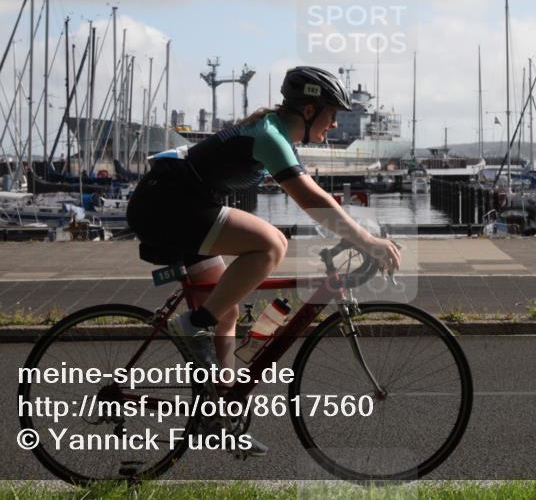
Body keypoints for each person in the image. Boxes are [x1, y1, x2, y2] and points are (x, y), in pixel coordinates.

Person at [126, 66, 401, 455]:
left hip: (179, 204)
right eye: (331, 113)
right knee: (271, 244)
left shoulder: (273, 131)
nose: (336, 123)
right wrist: (368, 241)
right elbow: (313, 200)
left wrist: (362, 236)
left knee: (227, 310)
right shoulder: (270, 135)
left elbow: (317, 201)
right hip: (168, 206)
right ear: (308, 111)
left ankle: (214, 415)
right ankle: (193, 326)